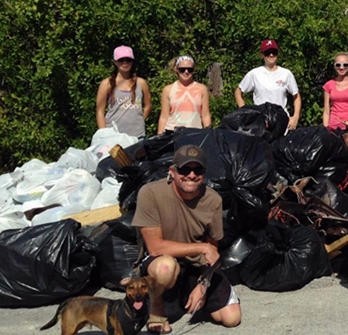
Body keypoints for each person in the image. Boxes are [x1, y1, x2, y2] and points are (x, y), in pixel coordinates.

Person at [132, 145, 241, 333]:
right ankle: (156, 311)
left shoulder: (213, 200)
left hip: (196, 267)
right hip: (162, 262)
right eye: (184, 169)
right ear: (172, 172)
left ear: (204, 174)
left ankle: (190, 300)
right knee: (165, 267)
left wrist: (203, 285)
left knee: (232, 318)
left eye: (197, 169)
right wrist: (202, 248)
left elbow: (212, 251)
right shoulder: (150, 193)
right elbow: (155, 247)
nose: (191, 175)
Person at [234, 39, 301, 130]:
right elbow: (238, 92)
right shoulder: (255, 73)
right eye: (267, 52)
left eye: (274, 52)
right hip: (260, 122)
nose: (271, 55)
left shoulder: (286, 74)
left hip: (281, 122)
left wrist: (295, 117)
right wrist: (246, 112)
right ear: (262, 54)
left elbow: (296, 96)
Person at [95, 45, 152, 138]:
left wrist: (140, 120)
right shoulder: (107, 84)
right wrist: (104, 133)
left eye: (128, 60)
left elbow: (148, 105)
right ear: (115, 62)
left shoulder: (141, 83)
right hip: (114, 136)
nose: (125, 62)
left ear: (132, 61)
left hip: (137, 135)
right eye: (121, 60)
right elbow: (100, 111)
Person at [157, 55, 212, 134]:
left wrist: (208, 134)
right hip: (172, 133)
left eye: (190, 69)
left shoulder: (202, 89)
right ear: (176, 70)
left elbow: (205, 115)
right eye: (182, 69)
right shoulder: (168, 90)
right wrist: (159, 136)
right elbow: (163, 116)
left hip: (195, 133)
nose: (186, 72)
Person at [322, 52, 348, 130]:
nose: (341, 68)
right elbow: (326, 111)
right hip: (334, 127)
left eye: (345, 65)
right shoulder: (328, 85)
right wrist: (325, 129)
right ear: (335, 66)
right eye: (338, 65)